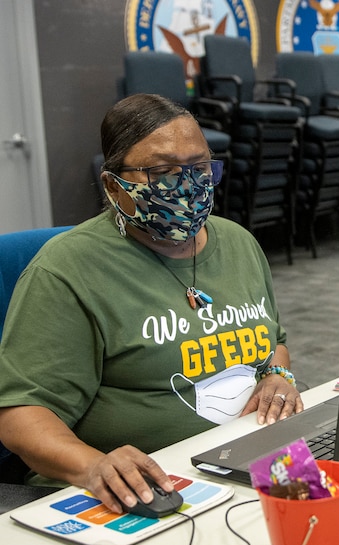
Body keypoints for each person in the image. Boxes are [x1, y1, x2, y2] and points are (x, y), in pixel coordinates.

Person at [0, 94, 304, 513]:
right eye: (162, 171)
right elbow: (21, 417)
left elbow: (276, 341)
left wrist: (277, 373)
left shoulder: (238, 243)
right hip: (140, 489)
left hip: (242, 460)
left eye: (200, 168)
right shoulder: (67, 270)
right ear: (113, 185)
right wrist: (94, 467)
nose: (187, 185)